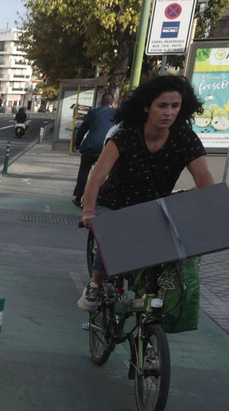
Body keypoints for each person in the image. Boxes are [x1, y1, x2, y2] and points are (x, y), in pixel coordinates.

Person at [77, 74, 216, 311]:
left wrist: (205, 202)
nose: (169, 113)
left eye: (175, 106)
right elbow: (97, 177)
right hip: (113, 204)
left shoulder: (184, 138)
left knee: (162, 251)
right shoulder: (126, 136)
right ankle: (95, 283)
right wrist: (88, 211)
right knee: (113, 234)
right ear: (146, 107)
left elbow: (204, 178)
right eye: (162, 106)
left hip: (154, 206)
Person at [71, 92, 115, 206]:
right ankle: (102, 198)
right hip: (108, 147)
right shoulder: (117, 113)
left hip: (90, 146)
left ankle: (79, 197)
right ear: (113, 103)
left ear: (101, 102)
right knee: (109, 172)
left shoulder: (93, 112)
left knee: (84, 170)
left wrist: (77, 144)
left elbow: (82, 129)